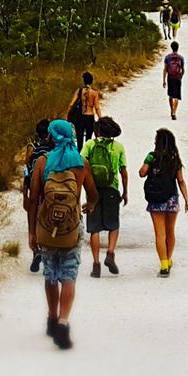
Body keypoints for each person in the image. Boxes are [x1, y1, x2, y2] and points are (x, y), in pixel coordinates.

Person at [28, 120, 99, 350]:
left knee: (50, 273)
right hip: (71, 227)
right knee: (69, 274)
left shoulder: (42, 162)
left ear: (51, 137)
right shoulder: (81, 163)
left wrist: (31, 232)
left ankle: (51, 317)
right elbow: (93, 194)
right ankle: (63, 322)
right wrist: (88, 206)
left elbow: (33, 199)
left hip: (46, 227)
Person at [139, 129, 188, 278]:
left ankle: (163, 265)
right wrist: (187, 200)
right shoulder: (175, 158)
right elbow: (180, 180)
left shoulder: (151, 156)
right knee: (170, 232)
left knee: (159, 234)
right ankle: (168, 260)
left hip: (156, 199)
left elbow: (142, 173)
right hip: (172, 198)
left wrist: (147, 167)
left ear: (159, 141)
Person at [80, 117, 128, 278]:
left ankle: (96, 264)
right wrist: (125, 191)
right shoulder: (118, 147)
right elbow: (123, 171)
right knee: (113, 224)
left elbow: (82, 165)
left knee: (94, 228)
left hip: (93, 190)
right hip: (111, 188)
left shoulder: (89, 145)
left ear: (97, 131)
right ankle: (110, 253)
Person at [22, 119, 52, 273]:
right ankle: (48, 254)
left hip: (36, 190)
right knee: (49, 222)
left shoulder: (33, 150)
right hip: (50, 191)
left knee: (34, 220)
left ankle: (36, 250)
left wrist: (24, 194)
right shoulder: (53, 151)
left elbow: (26, 172)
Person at [65, 72, 102, 151]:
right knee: (88, 139)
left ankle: (79, 155)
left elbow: (71, 104)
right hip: (90, 117)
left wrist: (68, 116)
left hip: (80, 117)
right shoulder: (94, 93)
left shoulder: (79, 91)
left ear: (84, 81)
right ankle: (87, 156)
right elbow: (97, 108)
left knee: (79, 139)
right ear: (91, 81)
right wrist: (101, 118)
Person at [162, 41, 184, 120]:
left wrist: (164, 80)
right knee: (177, 96)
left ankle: (171, 110)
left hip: (170, 77)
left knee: (170, 95)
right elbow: (183, 70)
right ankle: (174, 111)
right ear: (178, 48)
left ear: (171, 47)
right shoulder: (181, 57)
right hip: (177, 77)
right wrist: (180, 77)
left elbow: (165, 69)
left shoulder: (167, 57)